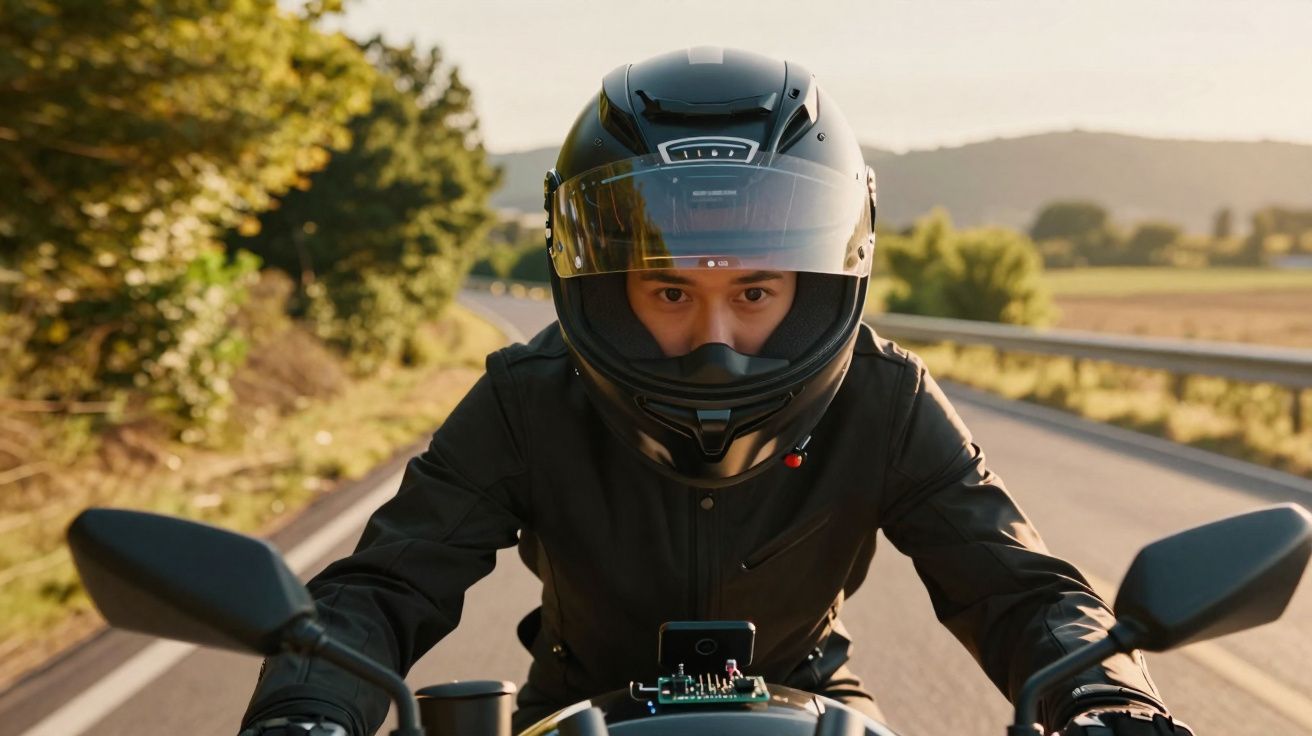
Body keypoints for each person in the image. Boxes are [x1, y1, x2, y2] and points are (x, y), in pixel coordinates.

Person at [240, 47, 1194, 736]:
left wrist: (1110, 697)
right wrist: (306, 710)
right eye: (668, 291)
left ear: (818, 284)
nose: (715, 341)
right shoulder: (530, 398)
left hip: (819, 715)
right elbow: (382, 584)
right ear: (604, 290)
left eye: (753, 290)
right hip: (569, 717)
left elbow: (1021, 588)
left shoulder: (884, 397)